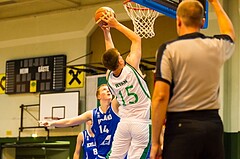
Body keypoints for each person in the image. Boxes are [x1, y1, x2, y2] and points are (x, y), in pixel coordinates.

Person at [150, 0, 235, 159]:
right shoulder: (216, 46)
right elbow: (230, 33)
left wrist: (155, 142)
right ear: (203, 22)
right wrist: (215, 3)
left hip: (181, 127)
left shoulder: (169, 50)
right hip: (212, 127)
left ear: (179, 20)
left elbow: (160, 96)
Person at [100, 11, 151, 158]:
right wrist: (115, 24)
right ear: (121, 61)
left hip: (124, 123)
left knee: (114, 157)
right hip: (141, 123)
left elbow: (109, 52)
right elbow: (136, 39)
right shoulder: (131, 67)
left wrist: (106, 32)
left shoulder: (109, 76)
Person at [41, 84, 120, 159]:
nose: (108, 91)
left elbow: (122, 93)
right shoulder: (92, 114)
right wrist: (52, 123)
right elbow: (70, 122)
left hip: (118, 153)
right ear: (98, 96)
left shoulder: (115, 106)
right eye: (104, 89)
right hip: (102, 155)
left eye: (109, 89)